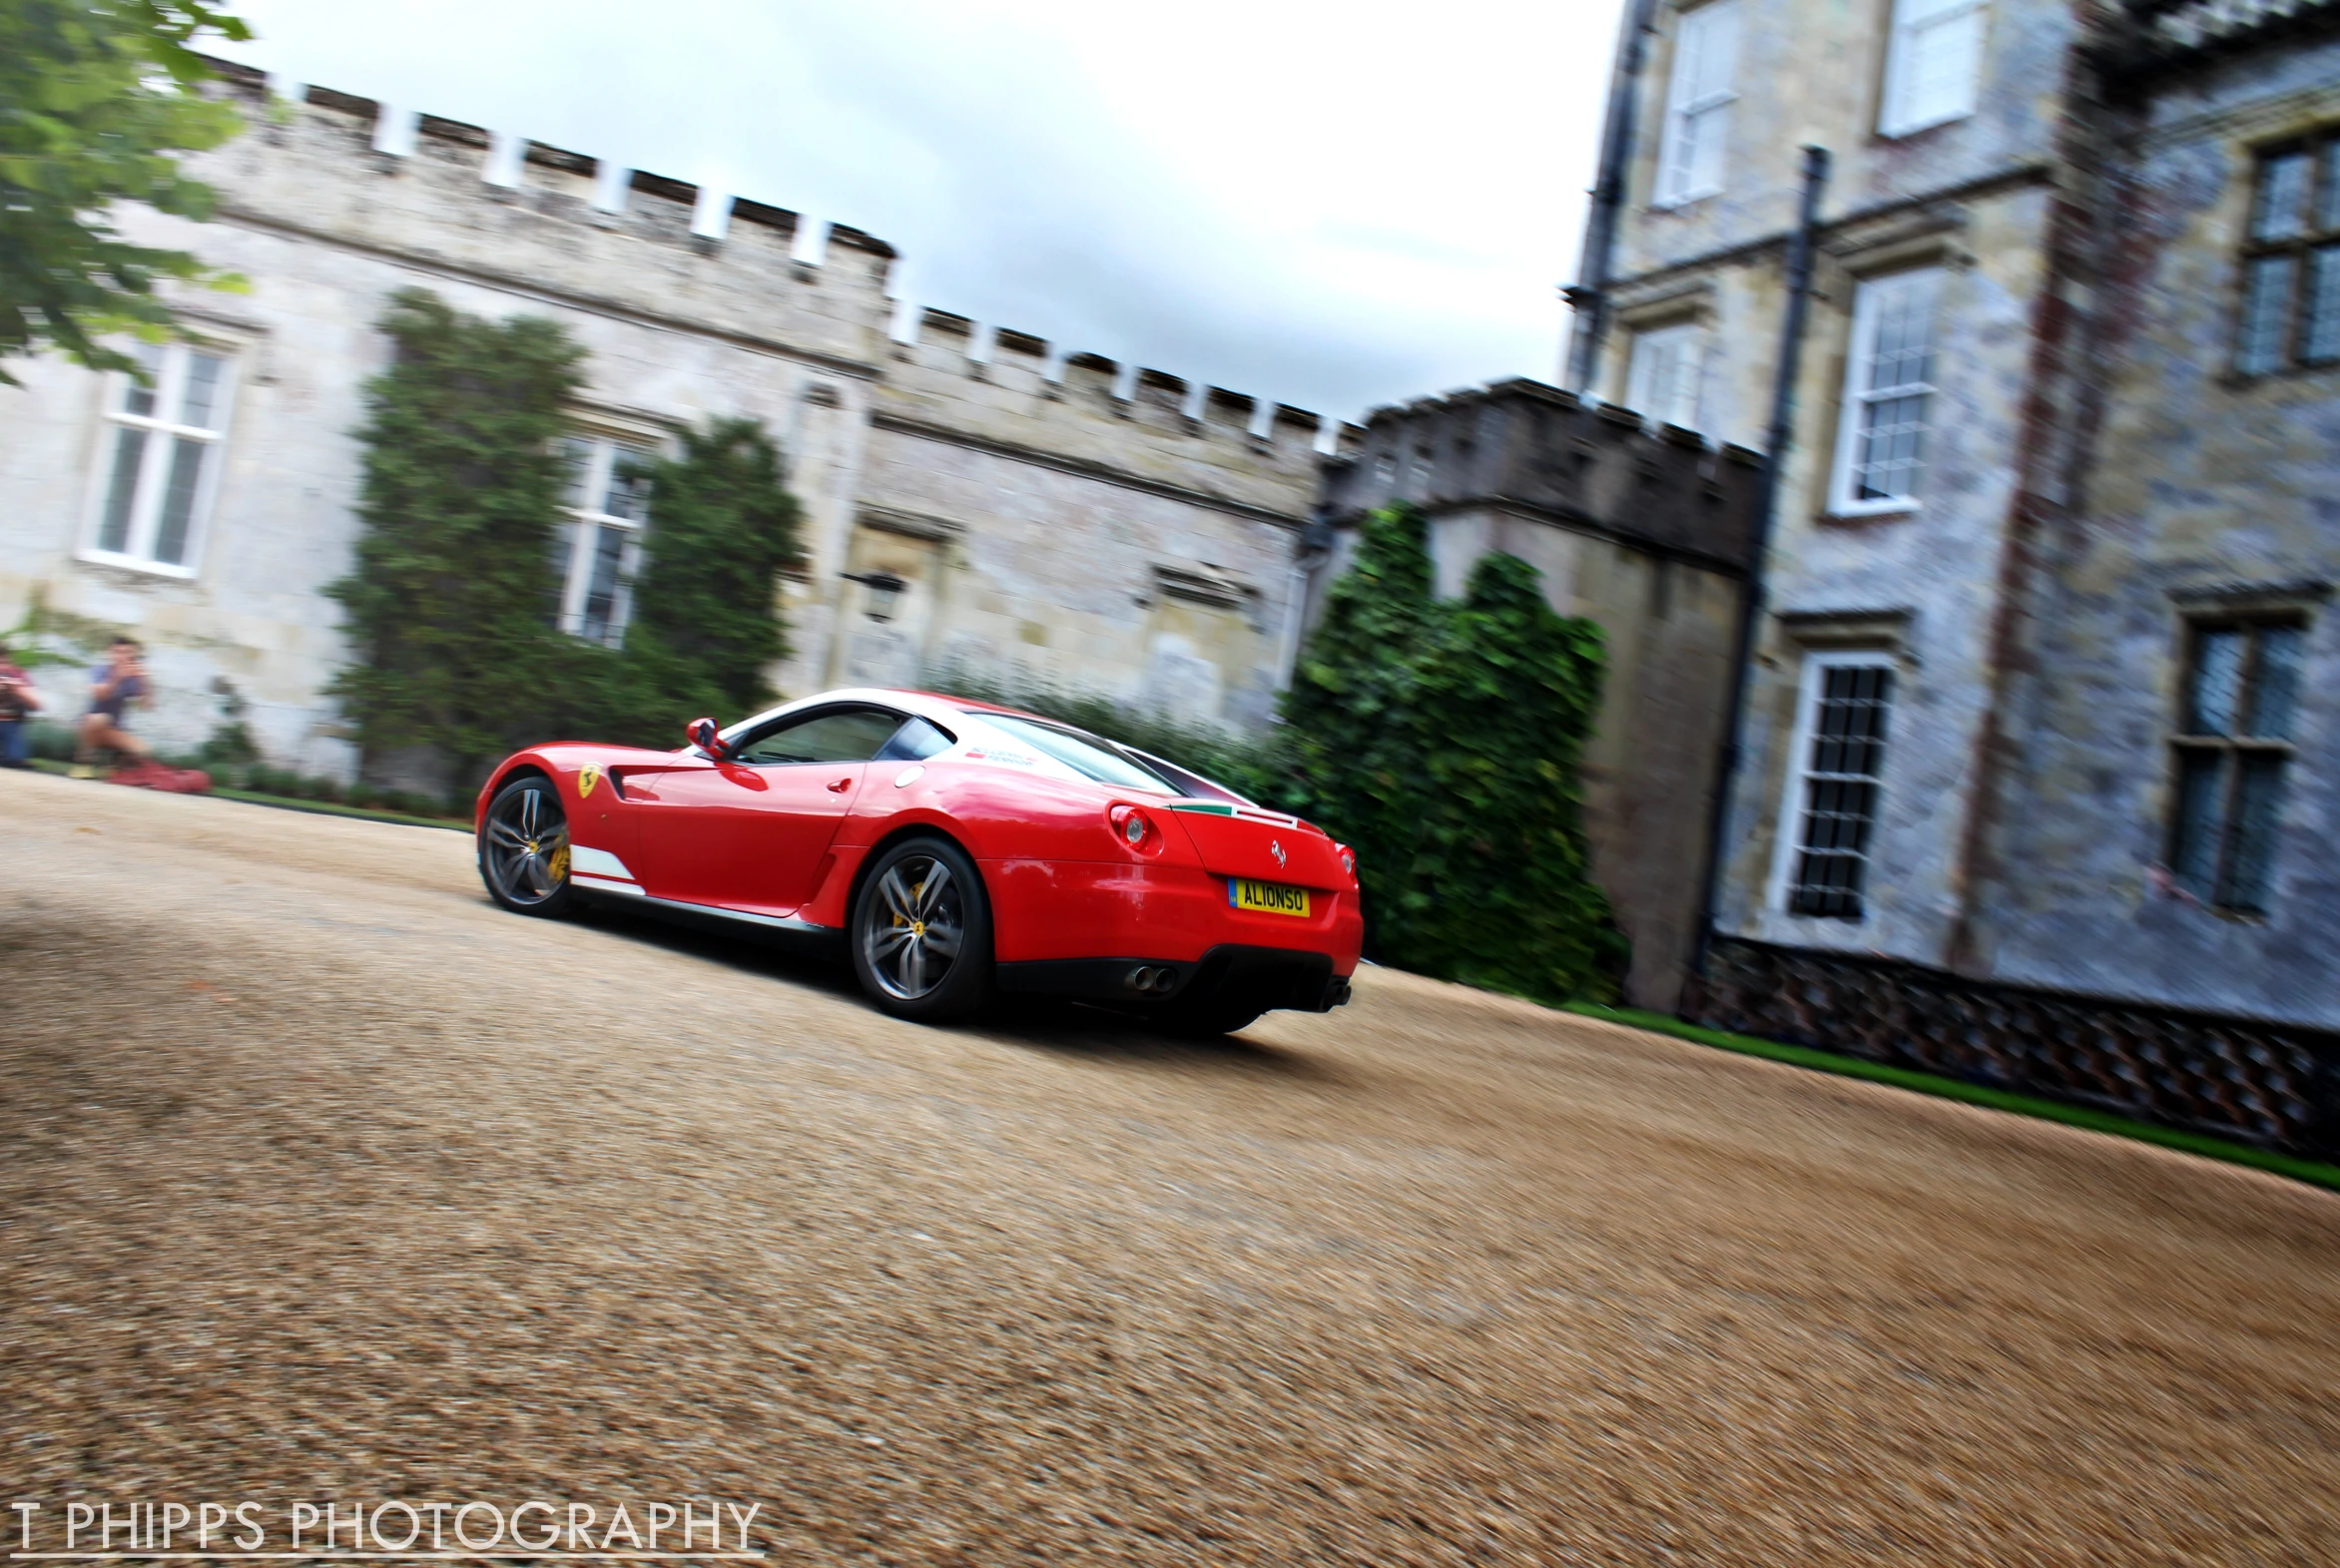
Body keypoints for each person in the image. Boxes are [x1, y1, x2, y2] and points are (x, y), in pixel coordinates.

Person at [74, 636, 154, 778]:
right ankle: (84, 762)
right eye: (118, 652)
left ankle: (114, 765)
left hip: (112, 730)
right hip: (89, 726)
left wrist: (145, 680)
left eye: (127, 653)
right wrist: (117, 677)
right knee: (99, 719)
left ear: (133, 655)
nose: (122, 657)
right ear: (110, 654)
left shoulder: (133, 678)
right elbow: (100, 695)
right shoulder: (99, 670)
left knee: (144, 750)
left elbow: (147, 706)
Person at [0, 641, 41, 769]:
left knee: (15, 759)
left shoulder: (19, 675)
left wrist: (17, 690)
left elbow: (36, 705)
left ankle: (10, 756)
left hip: (11, 723)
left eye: (4, 661)